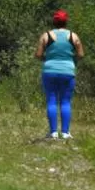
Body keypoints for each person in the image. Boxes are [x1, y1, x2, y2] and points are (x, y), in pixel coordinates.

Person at [34, 9, 84, 139]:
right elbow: (81, 54)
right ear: (66, 21)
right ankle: (66, 133)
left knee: (51, 100)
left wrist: (47, 59)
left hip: (49, 71)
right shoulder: (73, 36)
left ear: (54, 21)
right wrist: (71, 60)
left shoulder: (46, 36)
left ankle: (53, 132)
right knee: (65, 101)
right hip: (68, 71)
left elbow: (38, 55)